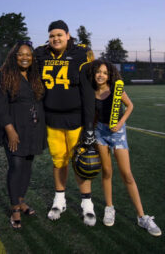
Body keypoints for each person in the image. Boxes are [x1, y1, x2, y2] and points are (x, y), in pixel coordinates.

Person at [88, 59, 162, 236]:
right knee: (106, 171)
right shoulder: (91, 91)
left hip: (118, 133)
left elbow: (130, 106)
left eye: (105, 73)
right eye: (98, 71)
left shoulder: (116, 89)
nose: (101, 75)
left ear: (110, 75)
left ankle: (142, 216)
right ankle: (109, 207)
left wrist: (120, 123)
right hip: (100, 133)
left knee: (127, 174)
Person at [34, 20, 96, 226]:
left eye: (59, 34)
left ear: (68, 35)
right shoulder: (40, 54)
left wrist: (89, 126)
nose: (55, 38)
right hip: (52, 118)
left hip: (76, 118)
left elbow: (87, 92)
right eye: (52, 35)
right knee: (58, 161)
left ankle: (87, 204)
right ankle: (59, 199)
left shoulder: (81, 54)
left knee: (81, 161)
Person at [0, 41, 47, 229]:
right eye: (21, 54)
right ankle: (15, 208)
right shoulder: (5, 76)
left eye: (28, 55)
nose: (25, 58)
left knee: (27, 166)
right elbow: (0, 106)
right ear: (14, 56)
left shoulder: (34, 75)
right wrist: (10, 130)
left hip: (33, 129)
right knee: (16, 165)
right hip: (14, 128)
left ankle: (21, 200)